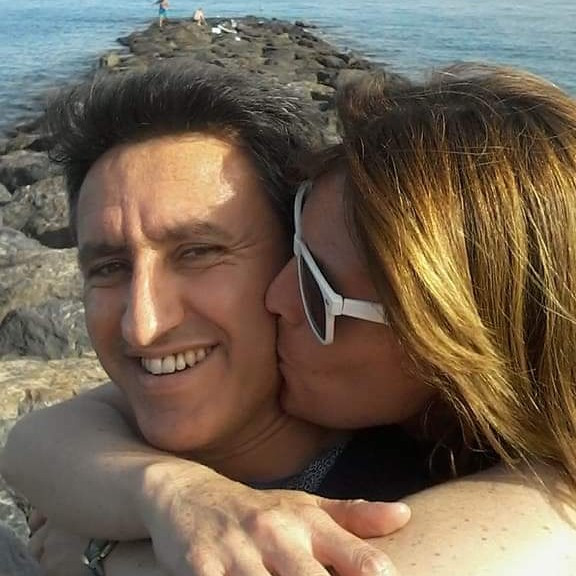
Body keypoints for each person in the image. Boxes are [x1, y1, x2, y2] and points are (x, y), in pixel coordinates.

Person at [5, 62, 576, 575]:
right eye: (108, 267)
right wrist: (170, 494)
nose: (142, 325)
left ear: (448, 345)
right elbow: (39, 438)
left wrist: (104, 555)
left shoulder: (536, 498)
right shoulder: (115, 444)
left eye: (318, 289)